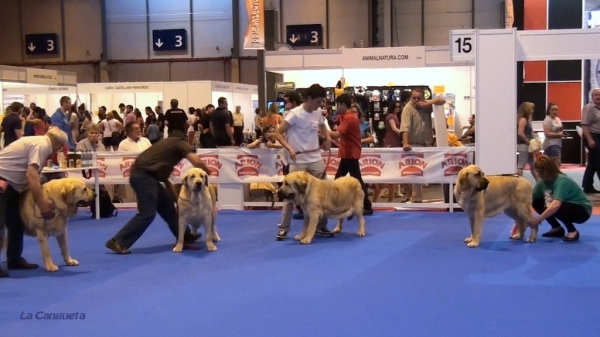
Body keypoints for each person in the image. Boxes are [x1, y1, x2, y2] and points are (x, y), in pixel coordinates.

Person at [105, 137, 211, 254]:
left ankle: (185, 235)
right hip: (143, 177)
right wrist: (206, 172)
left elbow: (167, 182)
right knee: (147, 213)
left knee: (168, 207)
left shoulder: (165, 151)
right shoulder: (180, 142)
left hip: (147, 177)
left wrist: (179, 201)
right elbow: (196, 161)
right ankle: (118, 241)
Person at [0, 127, 69, 277]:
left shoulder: (36, 141)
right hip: (3, 183)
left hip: (10, 185)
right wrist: (43, 204)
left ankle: (14, 259)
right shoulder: (42, 145)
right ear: (58, 144)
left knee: (16, 223)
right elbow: (31, 176)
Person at [273, 84, 333, 241]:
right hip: (298, 162)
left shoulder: (318, 112)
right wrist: (289, 148)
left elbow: (322, 126)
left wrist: (327, 138)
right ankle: (284, 228)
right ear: (309, 99)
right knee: (289, 196)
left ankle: (321, 226)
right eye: (318, 101)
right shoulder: (295, 114)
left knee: (323, 194)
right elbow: (278, 133)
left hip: (315, 160)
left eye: (321, 102)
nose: (320, 105)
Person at [328, 94, 374, 215]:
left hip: (350, 153)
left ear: (343, 104)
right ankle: (340, 203)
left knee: (353, 179)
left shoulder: (349, 118)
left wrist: (322, 131)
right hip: (348, 153)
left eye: (338, 105)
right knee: (342, 178)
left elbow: (338, 134)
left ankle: (366, 205)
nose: (337, 108)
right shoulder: (347, 117)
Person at [529, 155, 591, 242]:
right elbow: (531, 197)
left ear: (547, 171)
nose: (539, 175)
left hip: (582, 211)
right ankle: (556, 228)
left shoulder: (561, 180)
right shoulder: (542, 183)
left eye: (540, 173)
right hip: (565, 206)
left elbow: (556, 205)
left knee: (557, 206)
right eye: (537, 172)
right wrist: (520, 217)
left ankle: (572, 231)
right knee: (537, 202)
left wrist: (538, 219)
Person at [580, 88, 600, 193]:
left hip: (598, 136)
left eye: (599, 95)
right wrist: (590, 139)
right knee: (598, 161)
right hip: (592, 135)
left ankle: (587, 186)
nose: (598, 97)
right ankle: (587, 185)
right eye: (596, 95)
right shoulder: (589, 108)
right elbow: (584, 124)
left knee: (592, 162)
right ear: (592, 97)